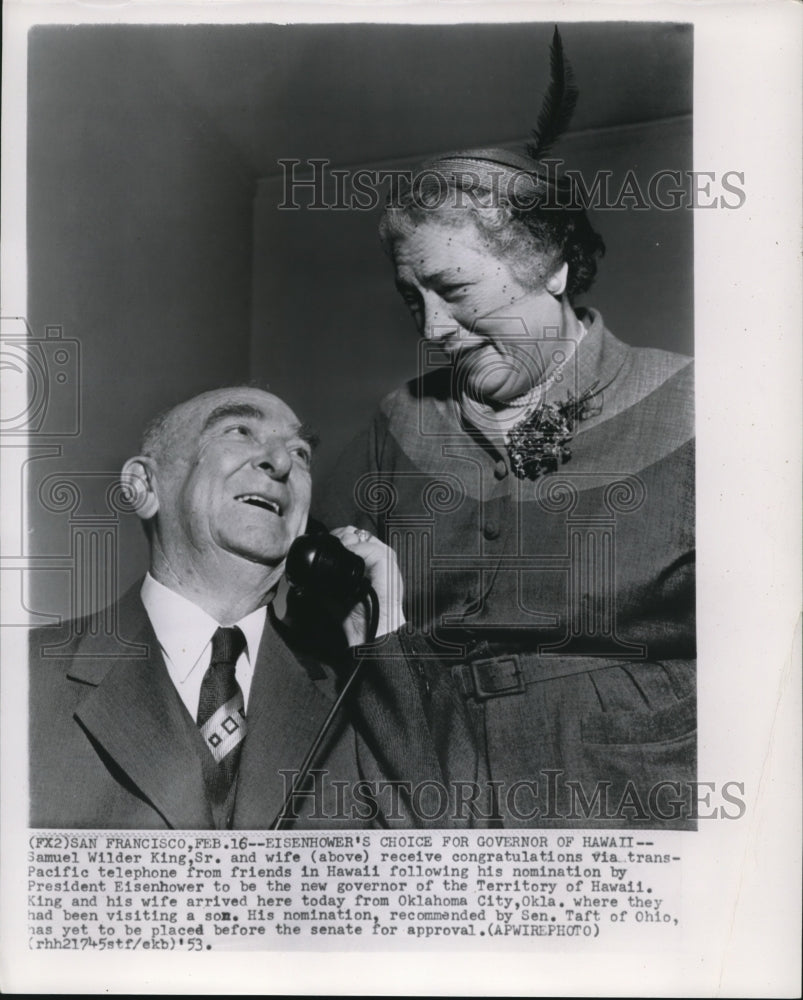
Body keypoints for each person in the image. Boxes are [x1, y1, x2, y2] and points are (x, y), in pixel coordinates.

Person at [319, 32, 696, 828]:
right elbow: (333, 617)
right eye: (411, 300)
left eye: (453, 287)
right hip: (425, 778)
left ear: (550, 265)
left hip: (627, 792)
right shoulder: (399, 421)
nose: (432, 328)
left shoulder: (691, 402)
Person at [29, 385, 446, 830]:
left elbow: (454, 865)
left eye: (301, 453)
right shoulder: (21, 675)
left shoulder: (360, 696)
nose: (282, 463)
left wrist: (384, 637)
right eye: (240, 430)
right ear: (145, 486)